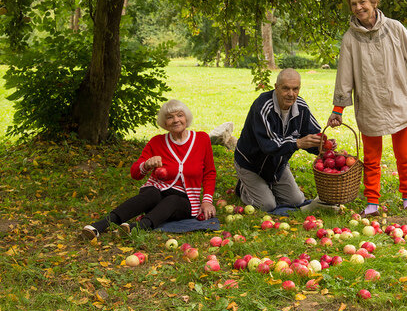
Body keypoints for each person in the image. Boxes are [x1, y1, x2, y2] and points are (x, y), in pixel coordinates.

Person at [327, 0, 407, 217]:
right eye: (354, 4)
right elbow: (344, 74)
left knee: (404, 155)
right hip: (370, 102)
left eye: (362, 2)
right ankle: (372, 203)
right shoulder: (350, 39)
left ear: (373, 2)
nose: (358, 7)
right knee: (371, 158)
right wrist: (338, 109)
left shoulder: (394, 28)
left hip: (398, 100)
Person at [81, 99, 216, 240]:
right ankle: (99, 226)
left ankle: (137, 227)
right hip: (155, 195)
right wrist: (145, 165)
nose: (176, 120)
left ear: (186, 118)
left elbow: (209, 173)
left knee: (173, 200)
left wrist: (207, 201)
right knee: (151, 194)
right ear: (165, 123)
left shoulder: (202, 139)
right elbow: (135, 173)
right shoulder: (156, 142)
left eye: (180, 115)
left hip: (183, 201)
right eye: (170, 117)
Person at [234, 68, 328, 212]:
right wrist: (298, 143)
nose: (291, 94)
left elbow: (312, 136)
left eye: (295, 89)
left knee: (296, 201)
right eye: (286, 88)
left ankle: (265, 186)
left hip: (277, 165)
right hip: (250, 164)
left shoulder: (301, 107)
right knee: (267, 205)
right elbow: (269, 146)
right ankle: (243, 187)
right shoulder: (263, 106)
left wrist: (323, 147)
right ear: (276, 87)